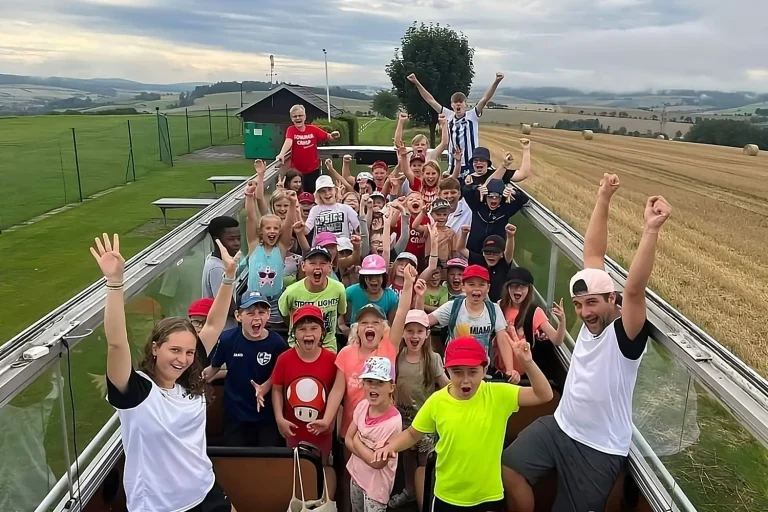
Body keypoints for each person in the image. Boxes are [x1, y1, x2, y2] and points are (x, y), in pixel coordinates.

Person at [502, 174, 672, 512]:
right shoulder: (592, 306)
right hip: (560, 425)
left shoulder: (625, 334)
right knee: (507, 469)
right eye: (579, 305)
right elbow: (593, 253)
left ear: (612, 299)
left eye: (591, 304)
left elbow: (635, 290)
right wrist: (603, 197)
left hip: (598, 449)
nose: (583, 312)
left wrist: (651, 229)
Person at [93, 233, 238, 512]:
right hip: (160, 506)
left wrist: (229, 277)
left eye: (188, 352)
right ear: (156, 348)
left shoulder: (189, 378)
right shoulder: (136, 391)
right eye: (174, 350)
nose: (183, 359)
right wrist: (114, 283)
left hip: (205, 491)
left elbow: (214, 324)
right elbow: (116, 343)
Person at [373, 335, 553, 512]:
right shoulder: (437, 401)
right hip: (447, 495)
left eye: (473, 371)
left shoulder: (499, 395)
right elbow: (412, 433)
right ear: (447, 371)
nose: (465, 379)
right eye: (457, 371)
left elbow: (544, 394)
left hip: (488, 495)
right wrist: (391, 447)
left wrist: (527, 362)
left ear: (484, 370)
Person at [388, 268, 449, 509]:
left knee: (425, 462)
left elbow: (445, 385)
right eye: (410, 330)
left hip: (425, 422)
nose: (414, 335)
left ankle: (426, 497)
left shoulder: (432, 359)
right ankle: (409, 491)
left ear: (426, 334)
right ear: (403, 333)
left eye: (419, 331)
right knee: (407, 459)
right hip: (402, 420)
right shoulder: (397, 355)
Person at [271, 304, 345, 498]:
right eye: (302, 329)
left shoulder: (332, 360)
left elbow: (338, 393)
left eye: (313, 328)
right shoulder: (284, 359)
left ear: (322, 332)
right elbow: (277, 389)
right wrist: (279, 418)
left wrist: (328, 421)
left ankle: (326, 504)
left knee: (326, 466)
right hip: (294, 430)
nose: (308, 333)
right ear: (294, 333)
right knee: (297, 469)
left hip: (323, 432)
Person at [203, 290, 288, 447]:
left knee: (269, 461)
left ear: (268, 315)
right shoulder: (227, 339)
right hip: (235, 415)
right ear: (238, 316)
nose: (257, 318)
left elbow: (281, 373)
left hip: (266, 416)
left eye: (261, 312)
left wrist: (265, 387)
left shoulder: (277, 344)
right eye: (250, 313)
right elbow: (213, 368)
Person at [407, 72, 504, 179]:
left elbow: (485, 99)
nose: (458, 104)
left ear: (465, 104)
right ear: (452, 105)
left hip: (471, 164)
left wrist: (497, 81)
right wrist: (416, 82)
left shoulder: (472, 115)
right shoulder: (448, 115)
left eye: (461, 102)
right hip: (453, 165)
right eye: (455, 102)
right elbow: (430, 100)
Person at [428, 265, 515, 378]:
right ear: (463, 287)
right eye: (471, 284)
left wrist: (510, 370)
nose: (476, 289)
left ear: (488, 288)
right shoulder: (453, 306)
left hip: (481, 369)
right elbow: (424, 321)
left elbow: (502, 339)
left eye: (481, 284)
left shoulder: (494, 309)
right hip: (455, 369)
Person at [345, 356, 403, 512]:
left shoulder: (394, 422)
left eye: (380, 383)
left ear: (391, 387)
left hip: (376, 489)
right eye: (369, 381)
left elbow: (377, 462)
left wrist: (357, 441)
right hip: (357, 477)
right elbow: (347, 440)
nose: (374, 387)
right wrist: (366, 453)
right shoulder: (363, 406)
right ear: (363, 384)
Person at [244, 176, 297, 325]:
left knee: (274, 330)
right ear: (261, 232)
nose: (272, 231)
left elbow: (288, 225)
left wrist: (292, 203)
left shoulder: (280, 249)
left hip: (274, 303)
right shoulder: (254, 245)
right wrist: (249, 196)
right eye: (268, 228)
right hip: (253, 300)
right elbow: (251, 218)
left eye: (275, 228)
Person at [279, 245, 348, 352]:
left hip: (327, 346)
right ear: (303, 266)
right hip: (297, 346)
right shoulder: (291, 292)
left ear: (330, 267)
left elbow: (340, 312)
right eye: (312, 263)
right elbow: (285, 315)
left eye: (323, 263)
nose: (318, 267)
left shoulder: (338, 289)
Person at [500, 267, 566, 377]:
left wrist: (562, 322)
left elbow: (556, 340)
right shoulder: (500, 306)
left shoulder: (535, 312)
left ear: (529, 289)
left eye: (522, 286)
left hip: (523, 373)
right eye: (514, 286)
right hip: (501, 370)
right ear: (507, 288)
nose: (518, 290)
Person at [275, 104, 341, 193]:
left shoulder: (312, 129)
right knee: (298, 194)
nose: (298, 118)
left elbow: (328, 136)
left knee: (312, 194)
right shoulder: (291, 130)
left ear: (305, 117)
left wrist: (334, 135)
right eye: (295, 116)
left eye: (300, 115)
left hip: (313, 170)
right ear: (291, 118)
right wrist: (282, 154)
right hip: (297, 173)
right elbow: (288, 141)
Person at [463, 178, 529, 255]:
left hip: (496, 253)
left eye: (497, 196)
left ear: (502, 197)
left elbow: (524, 199)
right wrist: (477, 188)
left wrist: (514, 192)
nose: (494, 199)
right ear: (485, 196)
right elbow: (465, 190)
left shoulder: (506, 209)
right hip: (474, 251)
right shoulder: (477, 205)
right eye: (490, 196)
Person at [457, 224, 516, 302]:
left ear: (502, 254)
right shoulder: (478, 260)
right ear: (483, 253)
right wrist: (464, 234)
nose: (491, 256)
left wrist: (510, 236)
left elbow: (509, 252)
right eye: (487, 252)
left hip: (498, 304)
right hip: (477, 301)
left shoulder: (503, 263)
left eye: (496, 253)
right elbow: (461, 249)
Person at [305, 175, 360, 241]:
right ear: (318, 194)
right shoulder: (315, 209)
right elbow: (306, 231)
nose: (327, 193)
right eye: (323, 191)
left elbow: (359, 229)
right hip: (321, 248)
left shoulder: (346, 208)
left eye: (330, 189)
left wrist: (363, 207)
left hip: (342, 247)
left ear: (335, 191)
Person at [346, 254, 399, 323]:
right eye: (370, 276)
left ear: (383, 277)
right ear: (363, 277)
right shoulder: (351, 292)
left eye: (377, 275)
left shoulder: (391, 297)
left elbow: (391, 324)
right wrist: (342, 325)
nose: (373, 280)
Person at [202, 216, 241, 300]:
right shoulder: (218, 268)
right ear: (217, 240)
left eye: (239, 238)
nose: (237, 243)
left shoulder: (212, 258)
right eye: (231, 239)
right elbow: (226, 305)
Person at [464, 140, 531, 187]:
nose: (478, 162)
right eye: (475, 160)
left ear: (488, 163)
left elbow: (523, 174)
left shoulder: (499, 173)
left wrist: (526, 149)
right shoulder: (468, 179)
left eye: (482, 160)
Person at [427, 198, 456, 263]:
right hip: (428, 263)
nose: (442, 217)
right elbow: (415, 226)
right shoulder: (428, 229)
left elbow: (454, 251)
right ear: (431, 214)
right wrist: (423, 212)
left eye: (445, 214)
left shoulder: (451, 232)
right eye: (438, 214)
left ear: (448, 215)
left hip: (445, 265)